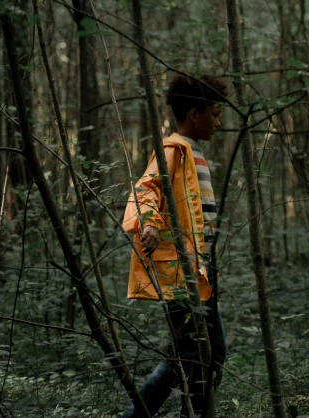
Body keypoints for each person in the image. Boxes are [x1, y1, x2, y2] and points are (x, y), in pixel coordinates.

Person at [121, 73, 228, 418]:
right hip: (184, 272)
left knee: (201, 354)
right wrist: (149, 223)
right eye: (214, 113)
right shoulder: (174, 149)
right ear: (194, 114)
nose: (219, 121)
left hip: (199, 269)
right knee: (193, 354)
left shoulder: (193, 151)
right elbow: (145, 189)